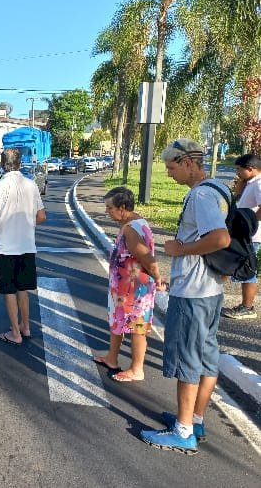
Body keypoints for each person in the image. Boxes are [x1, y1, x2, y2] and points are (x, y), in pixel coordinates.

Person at [140, 138, 231, 455]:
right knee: (206, 359)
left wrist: (181, 249)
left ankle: (182, 432)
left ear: (190, 163)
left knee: (187, 363)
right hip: (211, 291)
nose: (169, 173)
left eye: (172, 166)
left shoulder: (201, 195)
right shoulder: (221, 189)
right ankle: (194, 419)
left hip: (192, 292)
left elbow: (220, 238)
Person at [93, 187, 165, 382]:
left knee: (137, 328)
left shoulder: (132, 229)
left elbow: (147, 258)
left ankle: (137, 369)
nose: (106, 211)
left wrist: (158, 277)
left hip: (136, 292)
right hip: (123, 289)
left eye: (109, 208)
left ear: (122, 207)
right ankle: (112, 358)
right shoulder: (129, 223)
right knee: (117, 322)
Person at [0, 148, 46, 345]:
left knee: (9, 291)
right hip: (27, 247)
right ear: (20, 164)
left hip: (5, 249)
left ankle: (15, 332)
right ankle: (26, 327)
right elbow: (41, 216)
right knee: (23, 290)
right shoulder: (31, 185)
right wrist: (25, 226)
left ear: (2, 165)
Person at [221, 154, 261, 320]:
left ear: (250, 169)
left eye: (239, 169)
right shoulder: (250, 183)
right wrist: (239, 191)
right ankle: (207, 291)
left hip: (251, 235)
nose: (237, 172)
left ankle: (247, 307)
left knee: (248, 270)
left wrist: (249, 223)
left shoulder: (259, 184)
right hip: (244, 234)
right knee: (233, 264)